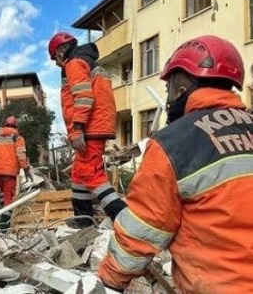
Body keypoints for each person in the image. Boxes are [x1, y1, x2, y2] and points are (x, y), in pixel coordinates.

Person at [99, 35, 253, 293]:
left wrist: (108, 282)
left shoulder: (172, 143)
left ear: (180, 90)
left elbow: (143, 229)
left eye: (169, 89)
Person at [48, 32, 127, 227]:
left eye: (54, 58)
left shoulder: (74, 64)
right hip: (96, 125)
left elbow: (83, 97)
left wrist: (77, 129)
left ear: (60, 51)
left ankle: (124, 219)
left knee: (92, 174)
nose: (56, 64)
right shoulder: (86, 62)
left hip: (90, 127)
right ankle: (83, 220)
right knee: (79, 174)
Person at [0, 116, 33, 230]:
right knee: (8, 201)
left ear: (5, 124)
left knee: (0, 199)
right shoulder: (17, 138)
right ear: (16, 126)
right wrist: (26, 169)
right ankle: (3, 228)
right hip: (9, 174)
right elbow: (21, 155)